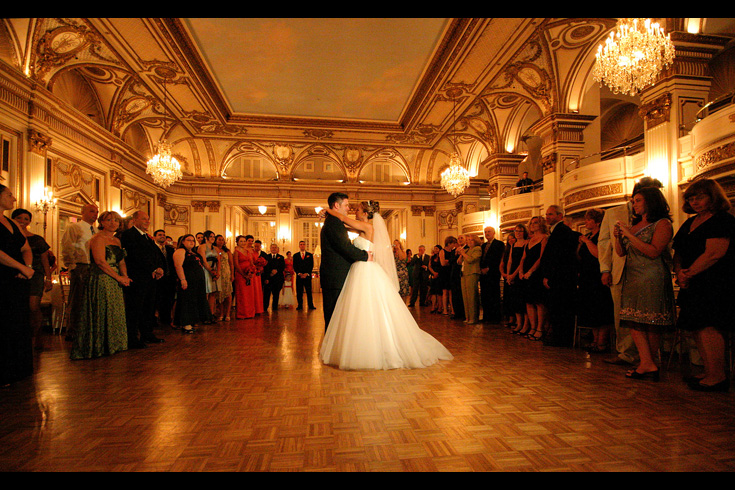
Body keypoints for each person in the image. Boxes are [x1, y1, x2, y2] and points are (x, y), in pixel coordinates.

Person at [319, 200, 453, 370]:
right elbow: (343, 228)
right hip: (359, 269)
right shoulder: (362, 227)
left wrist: (328, 211)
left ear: (366, 213)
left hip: (365, 269)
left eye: (359, 209)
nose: (355, 211)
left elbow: (342, 219)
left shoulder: (367, 227)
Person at [673, 179, 735, 392]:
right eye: (691, 198)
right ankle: (709, 371)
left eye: (699, 197)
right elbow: (678, 251)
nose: (695, 202)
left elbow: (714, 253)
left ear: (713, 196)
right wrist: (680, 272)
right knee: (697, 328)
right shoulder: (689, 222)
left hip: (714, 281)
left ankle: (718, 375)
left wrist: (688, 273)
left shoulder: (722, 220)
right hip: (692, 281)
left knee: (710, 326)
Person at [599, 178, 662, 367]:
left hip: (647, 272)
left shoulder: (658, 218)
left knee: (646, 316)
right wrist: (605, 269)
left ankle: (647, 358)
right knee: (622, 315)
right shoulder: (613, 213)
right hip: (619, 270)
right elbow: (604, 243)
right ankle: (626, 353)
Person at [614, 186, 675, 381]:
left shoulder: (662, 224)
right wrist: (618, 238)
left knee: (651, 322)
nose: (634, 204)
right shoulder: (636, 225)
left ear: (650, 201)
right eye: (633, 201)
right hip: (633, 276)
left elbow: (654, 251)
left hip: (652, 276)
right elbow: (622, 253)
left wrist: (629, 235)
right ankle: (646, 362)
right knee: (634, 321)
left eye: (638, 200)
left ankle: (649, 363)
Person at [71, 211, 131, 359]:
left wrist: (125, 276)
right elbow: (100, 262)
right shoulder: (97, 238)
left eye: (116, 220)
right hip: (102, 277)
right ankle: (100, 346)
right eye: (109, 220)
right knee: (102, 310)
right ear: (102, 222)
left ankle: (114, 343)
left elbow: (121, 261)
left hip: (116, 279)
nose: (113, 223)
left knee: (114, 311)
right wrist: (118, 277)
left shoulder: (117, 241)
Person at [319, 192, 371, 330]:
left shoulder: (335, 221)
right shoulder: (334, 222)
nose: (349, 208)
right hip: (335, 278)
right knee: (333, 318)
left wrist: (327, 211)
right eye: (346, 205)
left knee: (338, 317)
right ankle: (331, 349)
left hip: (338, 277)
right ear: (337, 205)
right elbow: (345, 247)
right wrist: (365, 256)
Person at [0, 184, 34, 386]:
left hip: (18, 278)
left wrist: (26, 266)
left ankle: (17, 369)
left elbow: (25, 247)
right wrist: (21, 267)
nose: (13, 199)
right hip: (3, 276)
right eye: (9, 195)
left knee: (17, 321)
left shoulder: (12, 222)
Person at [119, 210, 166, 348]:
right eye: (144, 219)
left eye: (148, 219)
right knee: (135, 308)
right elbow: (135, 256)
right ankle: (132, 338)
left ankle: (147, 333)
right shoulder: (128, 235)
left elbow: (156, 254)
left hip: (150, 278)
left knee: (148, 307)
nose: (147, 221)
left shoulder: (147, 237)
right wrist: (153, 268)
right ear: (134, 220)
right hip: (137, 277)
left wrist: (159, 267)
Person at [11, 209, 52, 350]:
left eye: (26, 218)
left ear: (29, 221)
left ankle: (36, 337)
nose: (22, 221)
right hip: (15, 274)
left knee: (33, 306)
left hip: (36, 275)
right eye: (19, 218)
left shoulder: (37, 239)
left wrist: (48, 278)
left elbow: (45, 260)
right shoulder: (11, 237)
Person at [540, 205, 580, 347]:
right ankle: (558, 336)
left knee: (560, 308)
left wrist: (548, 275)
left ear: (560, 216)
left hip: (560, 277)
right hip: (561, 276)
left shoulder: (561, 231)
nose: (547, 217)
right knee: (557, 307)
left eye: (551, 214)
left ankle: (561, 337)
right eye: (547, 214)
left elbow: (558, 256)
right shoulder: (557, 231)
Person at [576, 209, 614, 353]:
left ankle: (602, 342)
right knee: (591, 309)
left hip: (598, 277)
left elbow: (600, 254)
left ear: (597, 221)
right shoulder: (589, 236)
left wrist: (586, 241)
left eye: (588, 220)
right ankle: (595, 339)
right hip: (587, 277)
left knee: (601, 309)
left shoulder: (602, 236)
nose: (585, 222)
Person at [60, 203, 98, 340]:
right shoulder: (74, 227)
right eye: (92, 211)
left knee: (90, 301)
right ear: (83, 212)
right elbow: (67, 247)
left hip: (93, 267)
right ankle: (73, 331)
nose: (95, 214)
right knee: (77, 300)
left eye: (97, 212)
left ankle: (87, 331)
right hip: (80, 266)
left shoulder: (96, 230)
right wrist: (72, 265)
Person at [173, 234, 211, 334]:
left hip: (197, 282)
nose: (191, 242)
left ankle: (192, 321)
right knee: (187, 301)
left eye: (193, 240)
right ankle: (185, 324)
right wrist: (182, 279)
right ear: (183, 242)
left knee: (195, 301)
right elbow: (178, 266)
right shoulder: (180, 251)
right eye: (188, 240)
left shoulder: (194, 253)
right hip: (187, 281)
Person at [518, 216, 549, 340]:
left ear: (541, 224)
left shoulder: (544, 238)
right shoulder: (529, 241)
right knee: (529, 302)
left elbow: (541, 258)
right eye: (531, 223)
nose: (533, 225)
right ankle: (532, 327)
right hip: (526, 274)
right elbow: (523, 258)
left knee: (539, 302)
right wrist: (521, 270)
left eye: (536, 223)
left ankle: (540, 328)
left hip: (537, 273)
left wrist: (531, 271)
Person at [506, 224, 529, 334]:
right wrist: (508, 274)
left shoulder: (526, 243)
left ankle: (525, 325)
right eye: (516, 231)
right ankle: (519, 323)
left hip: (521, 273)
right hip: (512, 274)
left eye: (520, 231)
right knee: (514, 300)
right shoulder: (513, 244)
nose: (518, 233)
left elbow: (522, 261)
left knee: (522, 300)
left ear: (524, 232)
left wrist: (514, 274)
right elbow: (510, 260)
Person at [479, 226, 505, 324]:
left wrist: (488, 268)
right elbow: (481, 259)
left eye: (489, 231)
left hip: (493, 273)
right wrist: (482, 269)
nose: (487, 234)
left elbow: (498, 258)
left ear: (494, 233)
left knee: (494, 295)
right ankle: (486, 316)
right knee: (484, 295)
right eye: (485, 232)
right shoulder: (483, 245)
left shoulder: (499, 244)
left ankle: (495, 317)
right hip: (483, 274)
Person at [153, 229, 176, 329]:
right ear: (155, 237)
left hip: (169, 278)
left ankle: (166, 319)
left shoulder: (170, 249)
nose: (162, 236)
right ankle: (154, 319)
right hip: (157, 278)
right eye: (159, 235)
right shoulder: (153, 248)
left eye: (163, 235)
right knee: (157, 299)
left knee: (169, 299)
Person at [457, 234, 482, 324]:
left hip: (472, 273)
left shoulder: (477, 249)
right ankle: (467, 317)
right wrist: (461, 254)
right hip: (464, 274)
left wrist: (463, 253)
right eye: (468, 240)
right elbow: (459, 262)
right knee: (465, 297)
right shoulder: (467, 250)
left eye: (471, 240)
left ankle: (473, 317)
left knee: (472, 297)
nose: (469, 241)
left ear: (475, 241)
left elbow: (471, 260)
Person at [233, 235, 258, 319]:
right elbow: (236, 264)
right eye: (241, 241)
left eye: (244, 241)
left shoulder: (247, 251)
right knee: (242, 294)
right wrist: (243, 274)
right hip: (240, 275)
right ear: (237, 242)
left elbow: (251, 262)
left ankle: (250, 313)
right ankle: (242, 314)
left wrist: (251, 271)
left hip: (249, 274)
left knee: (249, 294)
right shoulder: (236, 251)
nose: (243, 243)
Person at [197, 230, 219, 323]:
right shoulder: (202, 247)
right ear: (206, 238)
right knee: (205, 292)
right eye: (211, 236)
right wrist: (211, 271)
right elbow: (203, 261)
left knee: (213, 293)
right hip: (205, 270)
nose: (213, 238)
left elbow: (218, 260)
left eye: (214, 236)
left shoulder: (215, 248)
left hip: (213, 269)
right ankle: (203, 315)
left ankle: (211, 313)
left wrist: (217, 272)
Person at [499, 231, 517, 328]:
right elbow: (502, 263)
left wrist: (512, 275)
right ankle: (510, 319)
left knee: (514, 298)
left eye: (512, 238)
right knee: (508, 298)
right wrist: (503, 273)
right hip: (506, 276)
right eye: (509, 238)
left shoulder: (517, 249)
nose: (511, 240)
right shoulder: (506, 251)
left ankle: (516, 320)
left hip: (514, 276)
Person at [215, 235, 234, 321]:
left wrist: (232, 274)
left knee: (228, 293)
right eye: (219, 240)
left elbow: (231, 263)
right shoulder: (213, 250)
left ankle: (228, 313)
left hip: (226, 273)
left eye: (222, 240)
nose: (221, 241)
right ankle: (221, 313)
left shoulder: (227, 251)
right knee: (220, 294)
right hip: (218, 273)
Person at [293, 240, 316, 310]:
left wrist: (306, 273)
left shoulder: (310, 255)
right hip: (299, 277)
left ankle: (310, 305)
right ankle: (300, 305)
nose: (302, 245)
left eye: (303, 244)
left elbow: (311, 265)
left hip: (307, 277)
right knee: (299, 292)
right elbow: (295, 266)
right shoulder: (296, 255)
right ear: (299, 246)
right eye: (301, 244)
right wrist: (299, 273)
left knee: (309, 292)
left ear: (305, 246)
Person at [263, 243, 285, 312]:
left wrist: (276, 271)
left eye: (275, 247)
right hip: (269, 278)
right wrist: (271, 272)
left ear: (277, 249)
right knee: (267, 294)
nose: (274, 249)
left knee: (276, 294)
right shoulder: (266, 257)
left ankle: (275, 308)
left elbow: (282, 266)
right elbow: (265, 267)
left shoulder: (281, 257)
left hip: (278, 279)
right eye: (272, 247)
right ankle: (265, 307)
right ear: (270, 249)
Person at [449, 236, 467, 320]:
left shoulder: (468, 248)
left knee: (462, 294)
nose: (460, 240)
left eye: (461, 238)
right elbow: (451, 261)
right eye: (459, 238)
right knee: (455, 294)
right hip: (454, 274)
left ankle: (464, 313)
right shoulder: (454, 250)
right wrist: (456, 254)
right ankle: (456, 312)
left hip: (463, 274)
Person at [438, 236, 457, 315]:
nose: (454, 245)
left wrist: (447, 261)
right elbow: (442, 263)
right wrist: (449, 261)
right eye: (453, 243)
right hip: (444, 273)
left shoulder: (453, 251)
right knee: (445, 292)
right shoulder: (442, 251)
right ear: (449, 243)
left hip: (451, 272)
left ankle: (453, 309)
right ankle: (445, 310)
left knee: (451, 292)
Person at [427, 244, 444, 313]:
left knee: (439, 293)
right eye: (434, 249)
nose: (435, 250)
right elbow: (429, 266)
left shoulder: (441, 257)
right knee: (433, 292)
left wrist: (438, 273)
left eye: (437, 248)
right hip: (434, 275)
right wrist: (434, 273)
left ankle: (440, 307)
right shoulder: (432, 257)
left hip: (440, 275)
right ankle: (433, 307)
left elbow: (443, 266)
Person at [252, 239, 267, 313]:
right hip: (254, 274)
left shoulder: (264, 254)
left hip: (262, 275)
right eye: (255, 246)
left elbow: (267, 265)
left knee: (262, 291)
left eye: (258, 246)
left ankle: (261, 307)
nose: (256, 248)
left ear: (260, 246)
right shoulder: (252, 253)